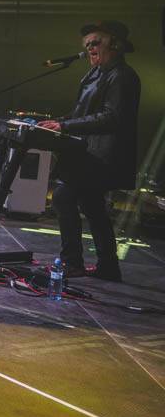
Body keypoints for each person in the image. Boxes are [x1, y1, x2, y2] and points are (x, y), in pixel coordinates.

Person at [37, 20, 140, 282]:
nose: (89, 48)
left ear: (115, 45)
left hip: (105, 156)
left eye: (96, 42)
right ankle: (108, 267)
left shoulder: (123, 77)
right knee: (92, 206)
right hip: (90, 153)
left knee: (63, 196)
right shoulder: (97, 74)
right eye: (87, 44)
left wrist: (64, 125)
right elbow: (84, 113)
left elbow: (112, 117)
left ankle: (73, 263)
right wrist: (57, 123)